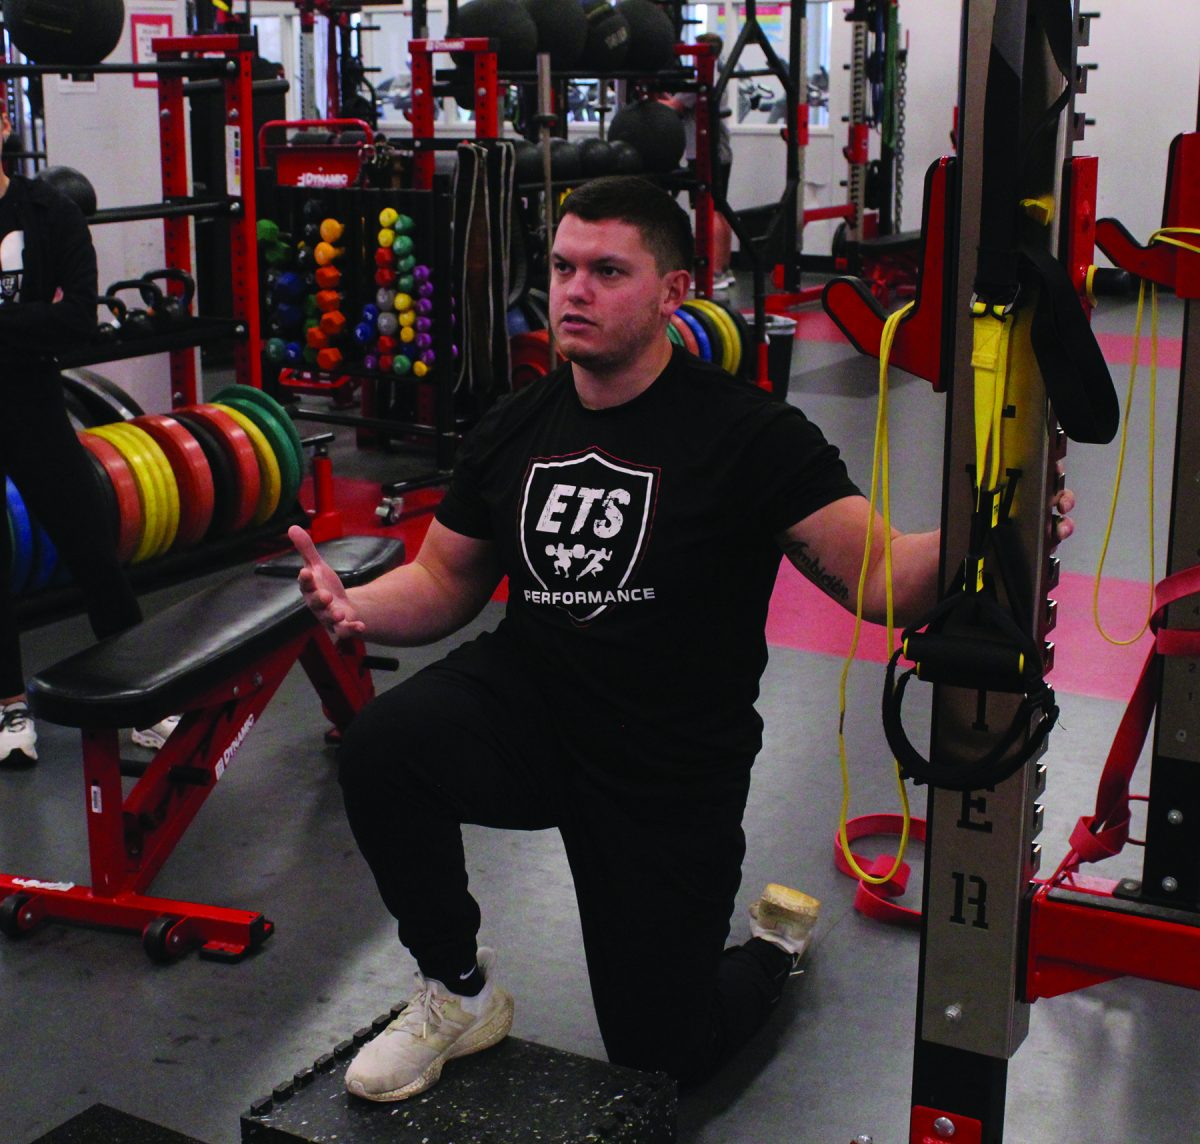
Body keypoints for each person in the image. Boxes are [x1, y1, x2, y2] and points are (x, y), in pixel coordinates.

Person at [289, 174, 1074, 1100]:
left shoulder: (749, 436)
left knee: (662, 1055)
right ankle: (458, 992)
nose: (574, 291)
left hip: (669, 761)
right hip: (531, 708)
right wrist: (360, 605)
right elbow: (445, 580)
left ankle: (773, 956)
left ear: (672, 291)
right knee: (384, 750)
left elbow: (878, 576)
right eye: (564, 267)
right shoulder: (514, 425)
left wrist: (992, 534)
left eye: (608, 270)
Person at [0, 135, 168, 765]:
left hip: (34, 402)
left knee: (91, 545)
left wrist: (44, 323)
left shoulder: (51, 211)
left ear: (2, 125)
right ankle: (8, 707)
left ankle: (140, 697)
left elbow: (76, 322)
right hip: (25, 375)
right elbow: (53, 318)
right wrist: (35, 317)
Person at [666, 32, 735, 289]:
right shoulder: (719, 74)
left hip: (707, 153)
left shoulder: (704, 78)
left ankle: (714, 272)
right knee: (720, 209)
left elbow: (672, 107)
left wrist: (650, 100)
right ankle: (724, 269)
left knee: (711, 210)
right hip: (719, 152)